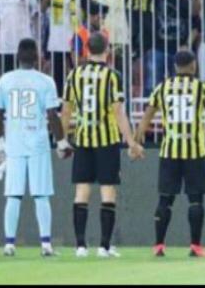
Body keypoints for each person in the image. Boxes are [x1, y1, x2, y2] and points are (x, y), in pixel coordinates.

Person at [58, 32, 144, 258]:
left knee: (82, 190)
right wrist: (131, 142)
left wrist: (61, 139)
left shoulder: (74, 75)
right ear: (107, 50)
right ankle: (104, 246)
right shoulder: (112, 75)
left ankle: (80, 246)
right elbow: (118, 112)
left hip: (83, 138)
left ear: (86, 50)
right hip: (106, 140)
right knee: (108, 189)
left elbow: (66, 110)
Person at [135, 49, 205, 258]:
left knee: (165, 200)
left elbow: (146, 117)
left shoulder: (163, 88)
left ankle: (159, 245)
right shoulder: (202, 88)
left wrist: (136, 142)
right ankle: (196, 246)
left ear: (175, 67)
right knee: (196, 200)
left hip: (169, 151)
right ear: (194, 65)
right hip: (195, 152)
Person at [0, 38, 64, 257]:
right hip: (38, 143)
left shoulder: (6, 80)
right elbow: (52, 115)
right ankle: (46, 244)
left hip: (13, 143)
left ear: (17, 56)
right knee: (41, 194)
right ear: (37, 56)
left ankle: (9, 244)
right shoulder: (46, 81)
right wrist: (61, 142)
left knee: (13, 195)